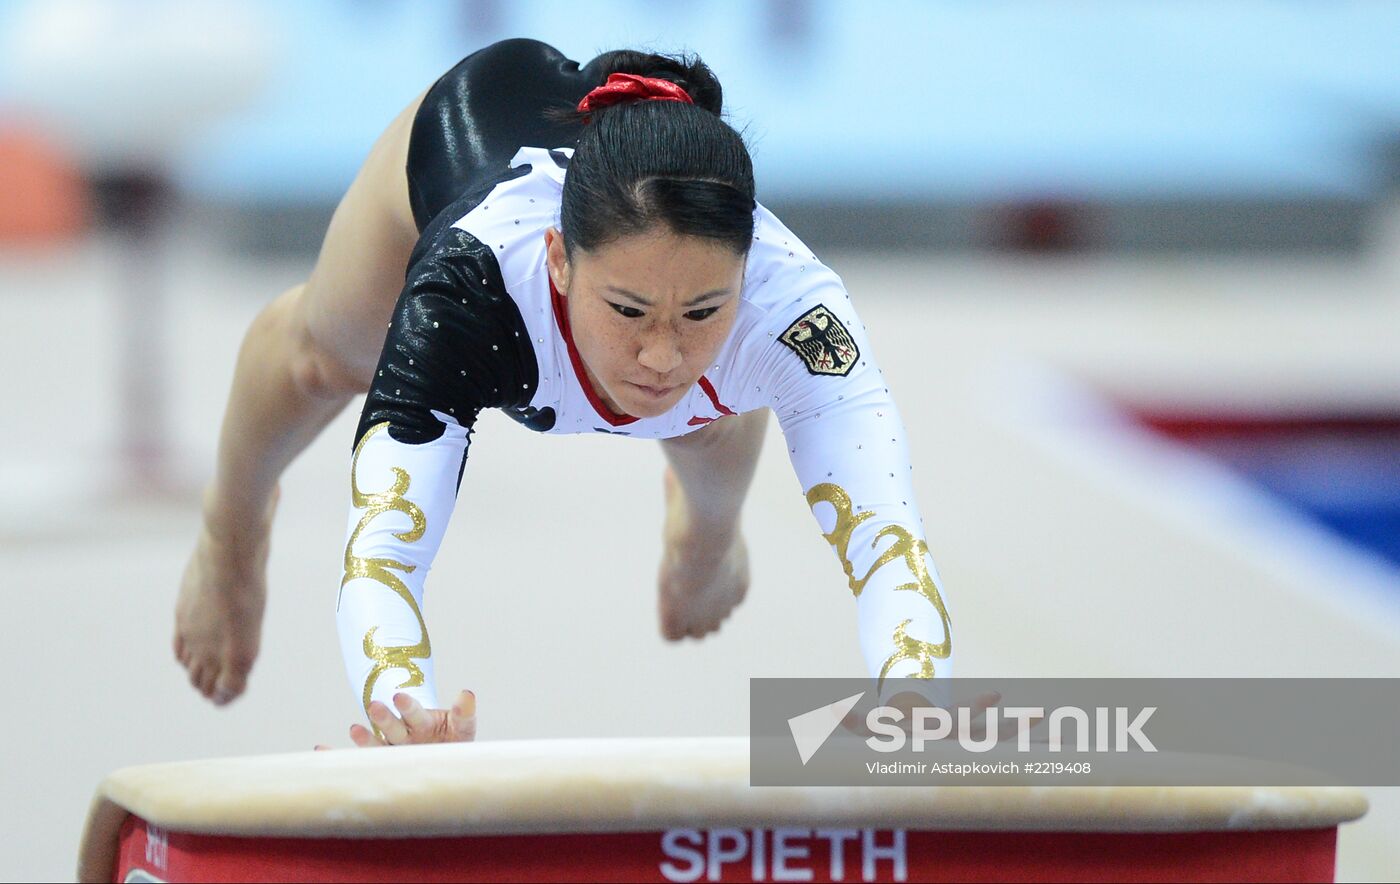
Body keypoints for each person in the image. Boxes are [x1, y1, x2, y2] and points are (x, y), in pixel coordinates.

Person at [173, 38, 953, 747]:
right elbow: (384, 553)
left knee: (711, 399)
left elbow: (892, 543)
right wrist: (404, 708)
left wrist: (916, 699)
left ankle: (707, 536)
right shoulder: (470, 288)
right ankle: (229, 536)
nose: (660, 351)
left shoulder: (796, 310)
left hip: (679, 305)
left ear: (749, 275)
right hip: (481, 115)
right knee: (325, 356)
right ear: (559, 261)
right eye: (628, 311)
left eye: (705, 311)